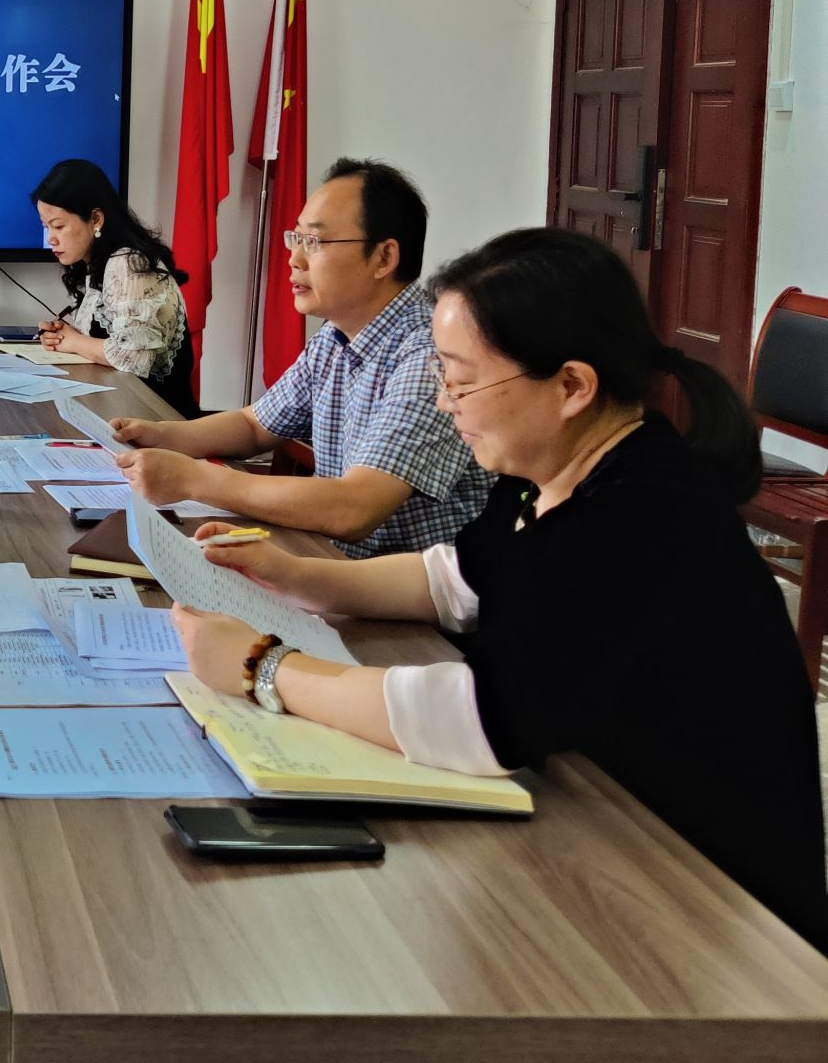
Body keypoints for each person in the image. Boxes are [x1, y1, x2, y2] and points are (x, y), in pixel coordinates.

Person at [169, 227, 828, 953]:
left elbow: (481, 720)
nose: (445, 402)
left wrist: (264, 666)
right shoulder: (546, 475)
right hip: (596, 819)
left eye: (461, 380)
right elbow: (454, 579)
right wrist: (295, 574)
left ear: (571, 387)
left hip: (704, 902)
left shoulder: (641, 512)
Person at [116, 159, 490, 555]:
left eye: (315, 242)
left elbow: (356, 508)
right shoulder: (335, 336)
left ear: (384, 258)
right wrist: (161, 436)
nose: (294, 258)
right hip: (330, 562)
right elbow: (254, 426)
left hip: (397, 587)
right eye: (296, 238)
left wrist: (196, 480)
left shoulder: (431, 355)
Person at [31, 159, 197, 417]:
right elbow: (109, 340)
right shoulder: (97, 263)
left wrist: (75, 342)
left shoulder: (127, 263)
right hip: (124, 409)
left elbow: (134, 357)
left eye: (59, 226)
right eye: (46, 227)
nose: (50, 238)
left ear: (95, 219)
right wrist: (66, 335)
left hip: (159, 420)